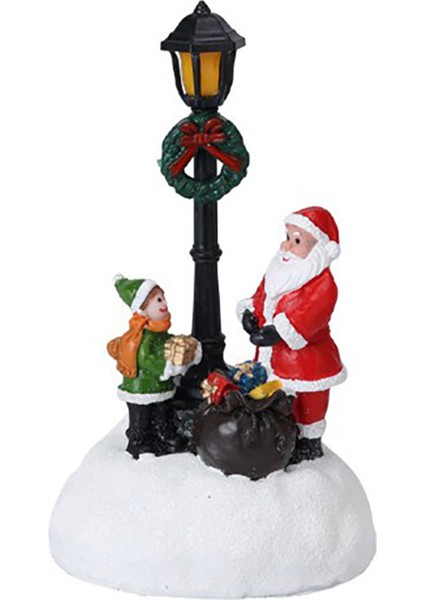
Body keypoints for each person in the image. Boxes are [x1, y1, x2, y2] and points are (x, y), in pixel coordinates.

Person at [237, 206, 347, 463]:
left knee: (309, 400)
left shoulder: (323, 284)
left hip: (306, 360)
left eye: (296, 241)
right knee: (279, 397)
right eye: (287, 237)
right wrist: (250, 315)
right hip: (273, 357)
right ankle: (281, 435)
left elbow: (311, 315)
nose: (286, 246)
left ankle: (309, 441)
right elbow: (261, 297)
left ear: (320, 250)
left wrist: (279, 332)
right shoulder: (279, 272)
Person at [108, 275, 202, 458]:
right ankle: (138, 444)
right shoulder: (143, 337)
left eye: (163, 298)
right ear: (143, 308)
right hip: (142, 388)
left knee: (162, 413)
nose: (164, 304)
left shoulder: (159, 332)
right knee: (141, 419)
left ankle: (163, 438)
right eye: (158, 300)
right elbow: (146, 359)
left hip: (160, 387)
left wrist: (186, 350)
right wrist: (170, 366)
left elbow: (168, 344)